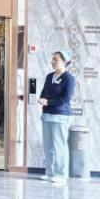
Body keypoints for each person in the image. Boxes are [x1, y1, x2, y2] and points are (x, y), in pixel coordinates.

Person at [38, 50, 76, 185]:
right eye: (52, 59)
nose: (53, 62)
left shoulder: (69, 78)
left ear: (64, 62)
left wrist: (48, 102)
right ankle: (50, 172)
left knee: (59, 145)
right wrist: (42, 99)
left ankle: (61, 174)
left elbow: (66, 99)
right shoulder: (50, 76)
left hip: (60, 116)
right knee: (48, 145)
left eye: (56, 59)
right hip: (47, 115)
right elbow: (43, 92)